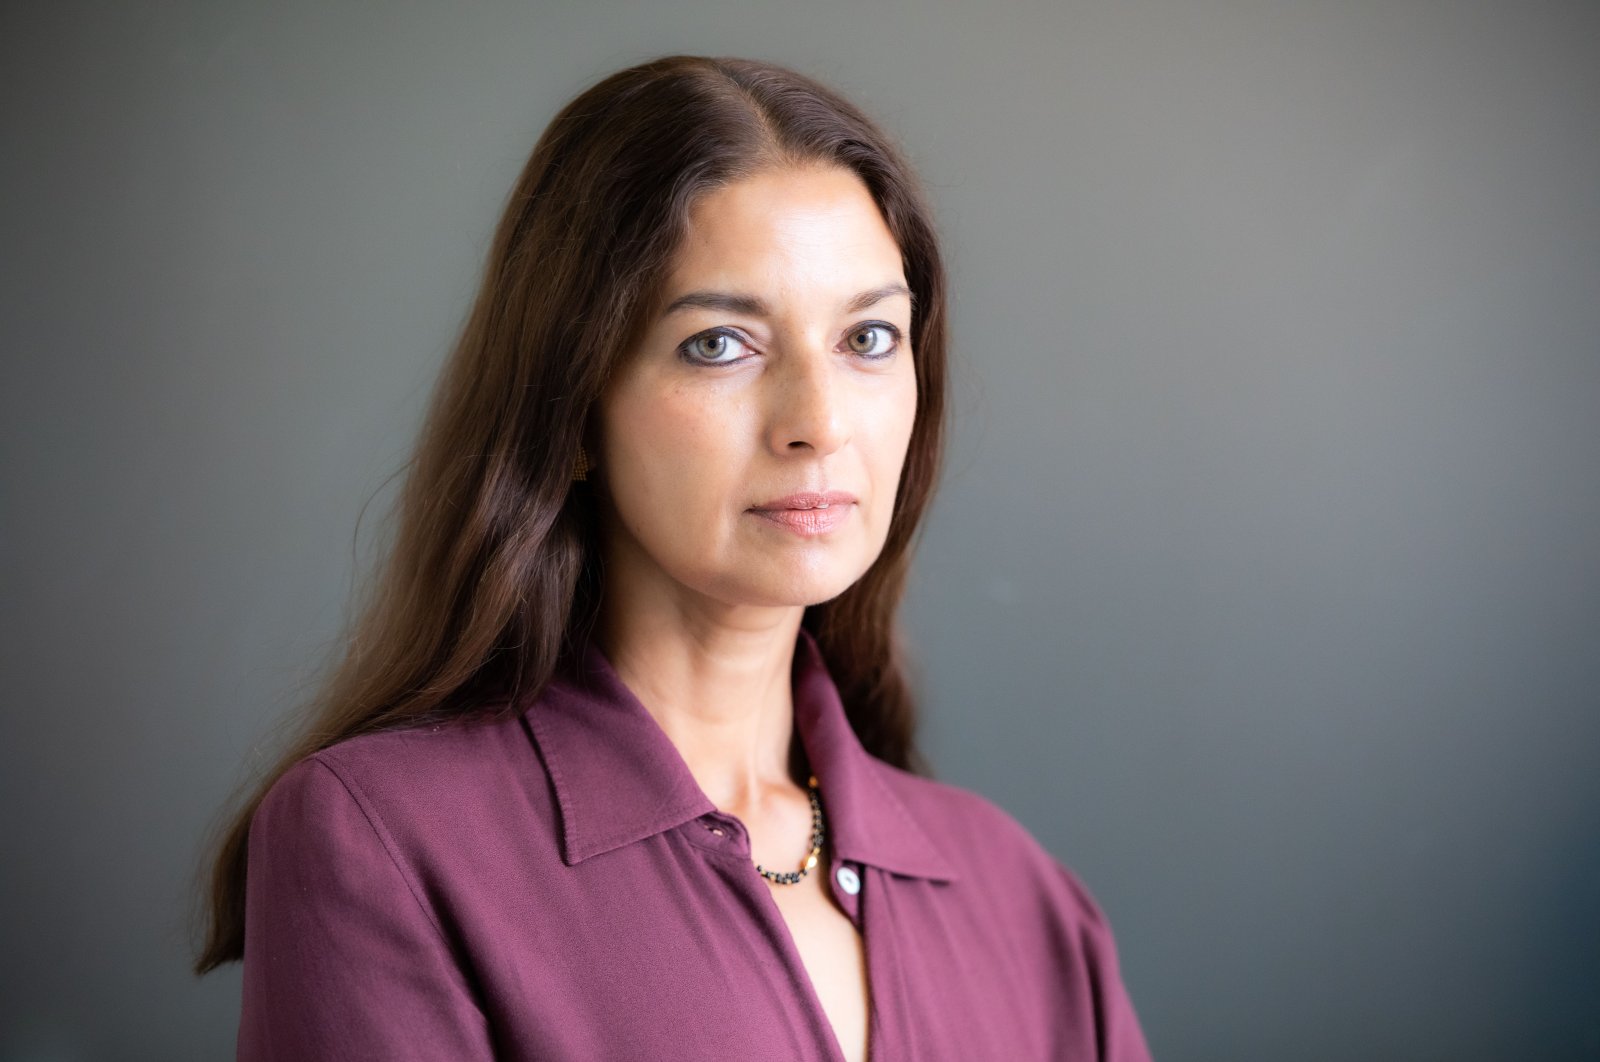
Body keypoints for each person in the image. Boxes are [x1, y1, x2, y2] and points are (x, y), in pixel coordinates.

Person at [192, 54, 1152, 1061]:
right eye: (720, 345)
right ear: (568, 408)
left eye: (867, 337)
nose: (818, 423)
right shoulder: (382, 843)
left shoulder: (1020, 896)